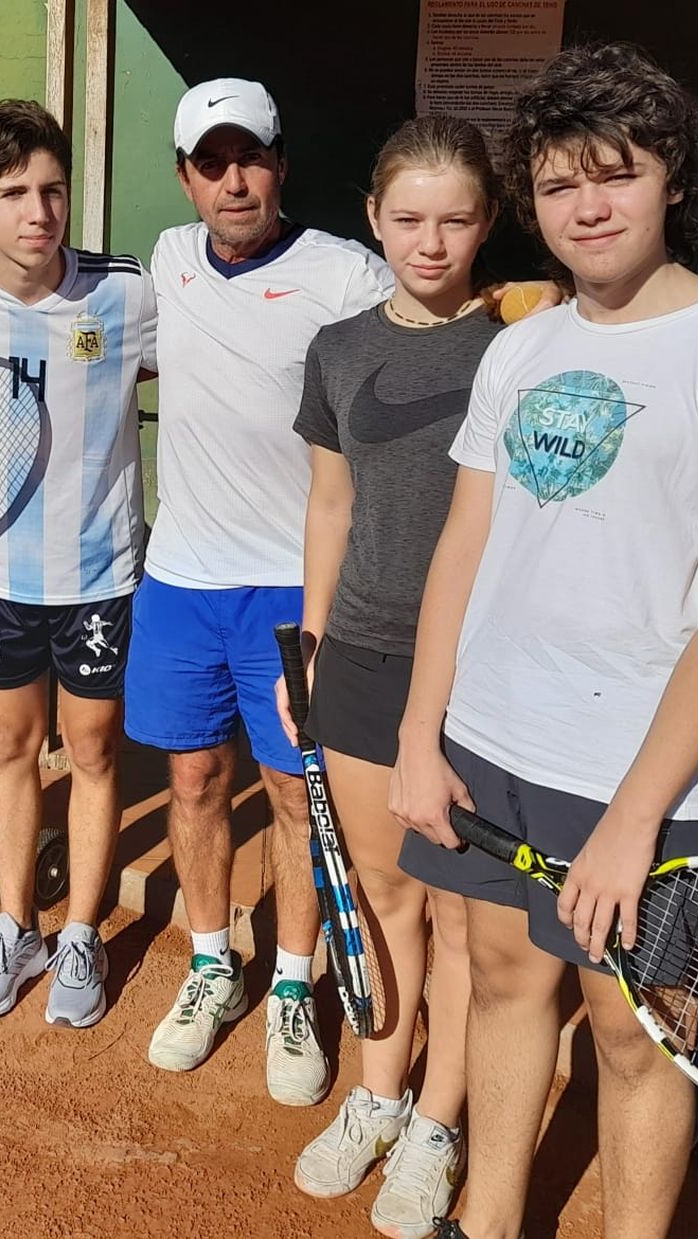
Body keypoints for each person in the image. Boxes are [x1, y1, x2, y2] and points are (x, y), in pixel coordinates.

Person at [390, 44, 698, 1239]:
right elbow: (462, 554)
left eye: (614, 176)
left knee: (639, 1036)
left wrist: (636, 823)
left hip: (652, 775)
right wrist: (422, 735)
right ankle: (487, 1222)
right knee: (506, 984)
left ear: (670, 177)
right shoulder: (522, 347)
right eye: (558, 184)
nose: (586, 207)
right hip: (494, 741)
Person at [123, 78, 397, 1107]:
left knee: (293, 793)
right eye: (210, 162)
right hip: (182, 580)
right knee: (193, 781)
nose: (232, 181)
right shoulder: (164, 262)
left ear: (281, 164)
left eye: (251, 158)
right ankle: (210, 965)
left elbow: (419, 356)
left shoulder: (344, 275)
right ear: (186, 177)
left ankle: (290, 981)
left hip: (295, 584)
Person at [279, 116, 503, 1238]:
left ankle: (439, 1127)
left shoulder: (520, 342)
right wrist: (310, 645)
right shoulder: (338, 349)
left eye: (456, 218)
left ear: (489, 223)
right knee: (378, 896)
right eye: (408, 218)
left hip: (479, 670)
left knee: (464, 919)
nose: (431, 240)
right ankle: (380, 1093)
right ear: (373, 219)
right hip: (358, 652)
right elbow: (332, 505)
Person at [0, 99, 156, 1029]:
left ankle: (83, 933)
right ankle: (17, 922)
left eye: (53, 189)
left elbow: (185, 371)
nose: (39, 211)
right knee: (12, 749)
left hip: (99, 577)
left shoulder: (127, 292)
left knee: (92, 752)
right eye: (13, 192)